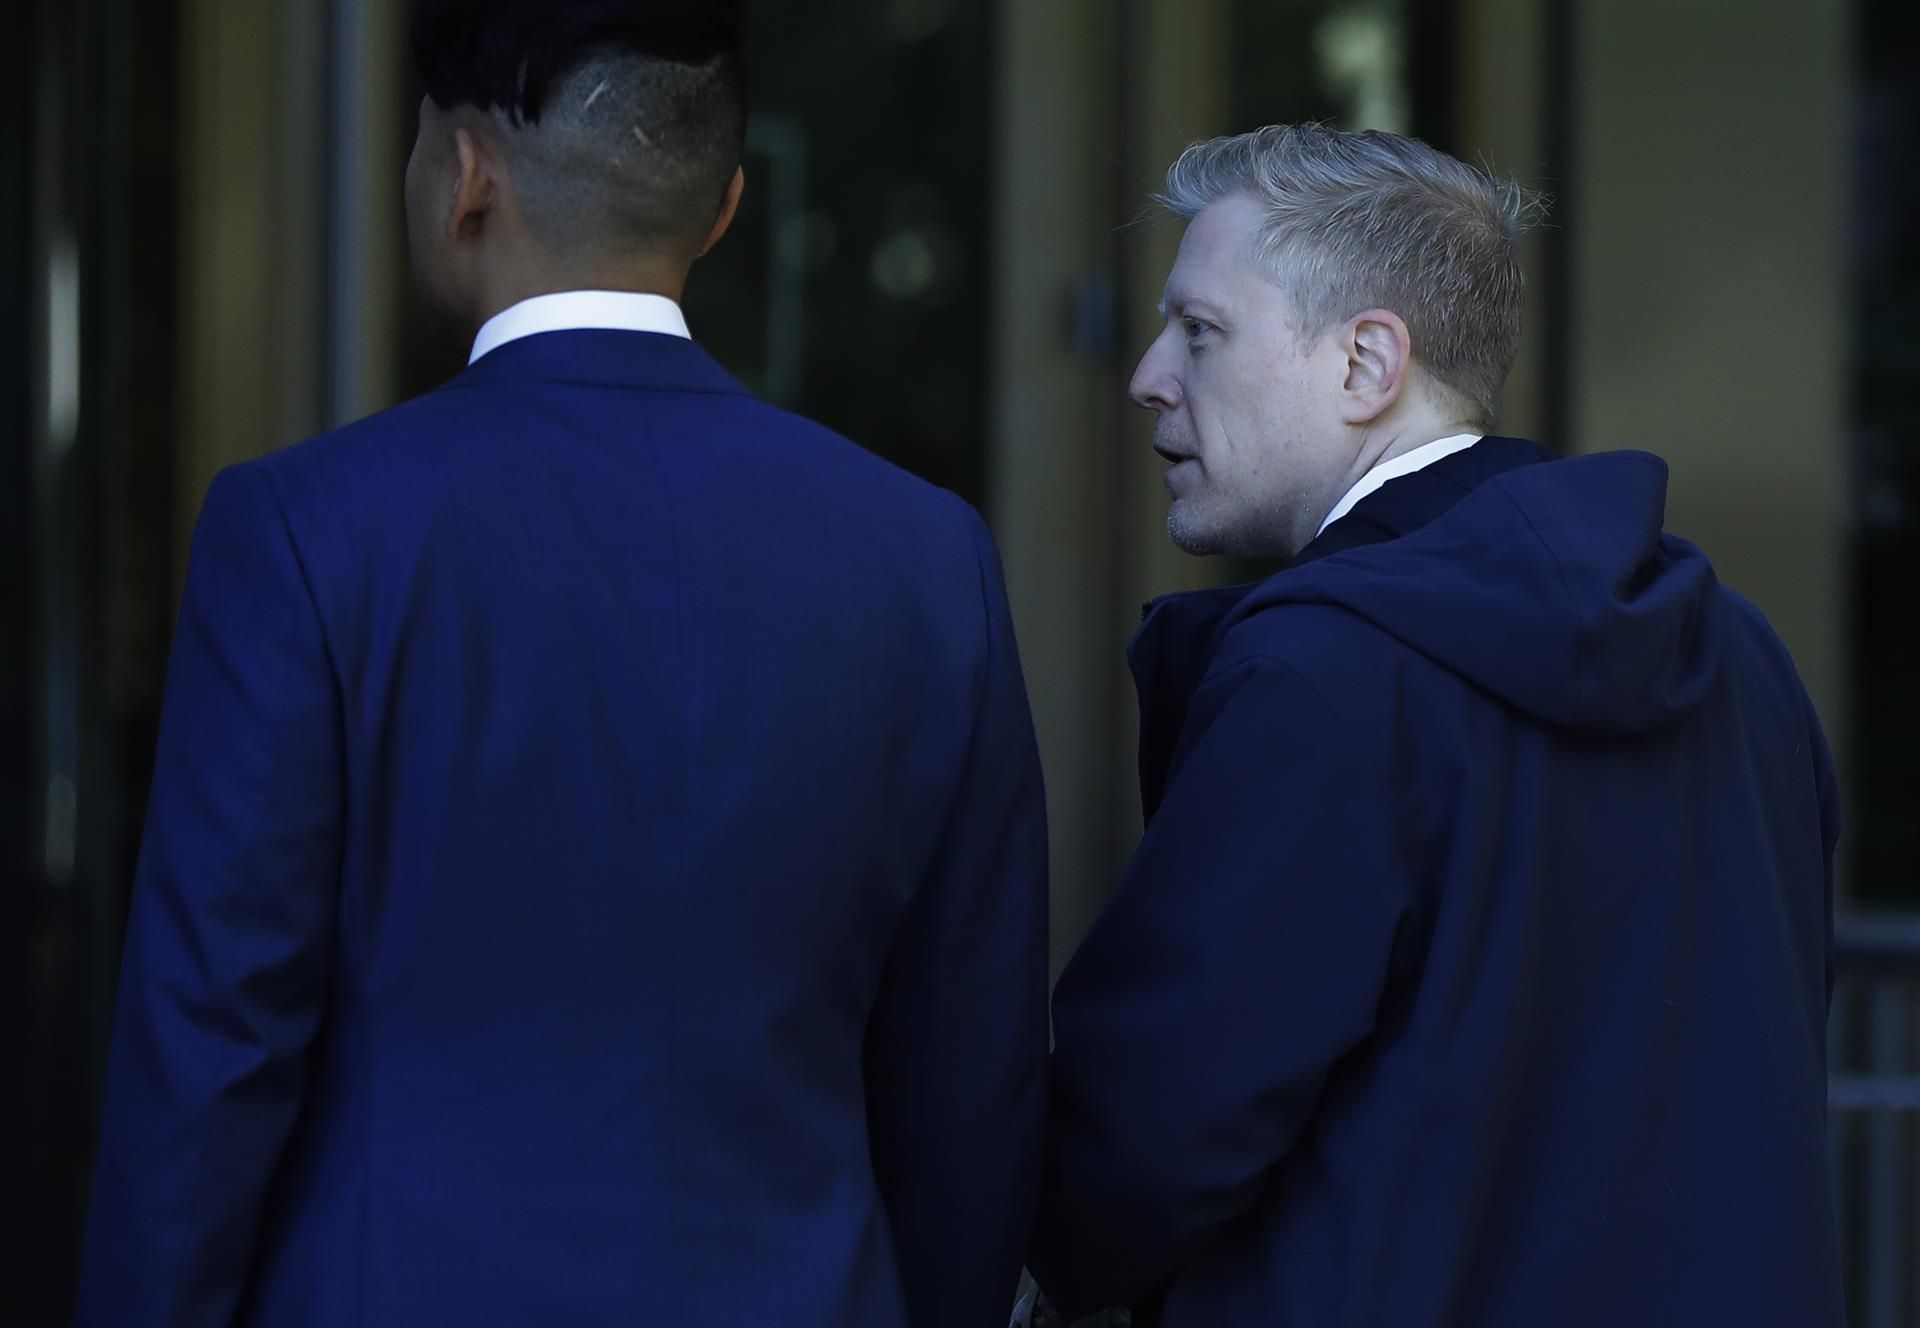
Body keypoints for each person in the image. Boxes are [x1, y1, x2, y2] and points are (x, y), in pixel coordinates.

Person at [73, 3, 1048, 1324]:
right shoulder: (928, 558)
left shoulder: (307, 530)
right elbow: (971, 1078)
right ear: (723, 210)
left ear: (464, 180)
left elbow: (212, 1048)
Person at [1027, 124, 1843, 1326]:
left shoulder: (1321, 673)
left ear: (1367, 363)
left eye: (1200, 330)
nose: (1151, 373)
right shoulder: (1743, 652)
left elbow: (1149, 1131)